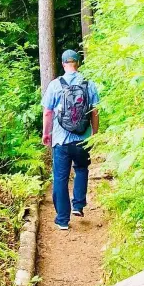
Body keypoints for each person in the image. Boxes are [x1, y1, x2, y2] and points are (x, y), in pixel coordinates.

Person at [41, 49, 100, 230]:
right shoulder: (89, 84)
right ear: (78, 63)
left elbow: (48, 112)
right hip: (82, 138)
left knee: (60, 178)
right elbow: (95, 111)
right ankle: (78, 205)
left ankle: (62, 220)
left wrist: (46, 133)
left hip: (61, 140)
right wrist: (94, 133)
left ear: (63, 63)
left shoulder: (55, 85)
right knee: (81, 169)